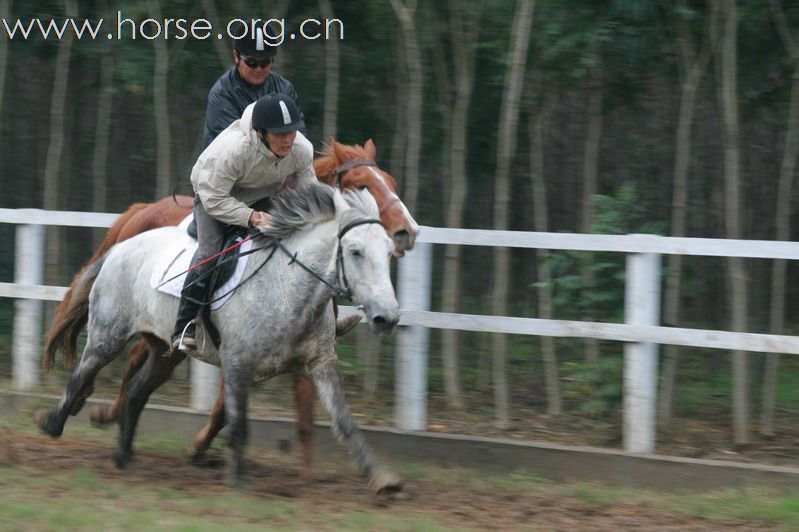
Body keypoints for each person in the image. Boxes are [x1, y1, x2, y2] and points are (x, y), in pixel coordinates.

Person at [171, 93, 315, 352]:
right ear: (261, 133)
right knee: (210, 252)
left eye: (291, 132)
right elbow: (213, 198)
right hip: (213, 197)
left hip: (262, 195)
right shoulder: (234, 150)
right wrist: (250, 216)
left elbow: (309, 194)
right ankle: (183, 325)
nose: (288, 140)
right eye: (279, 134)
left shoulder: (301, 149)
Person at [202, 22, 306, 149]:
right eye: (251, 62)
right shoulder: (222, 93)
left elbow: (299, 137)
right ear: (236, 56)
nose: (258, 69)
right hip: (227, 165)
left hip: (278, 164)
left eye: (265, 63)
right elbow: (233, 146)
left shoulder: (285, 89)